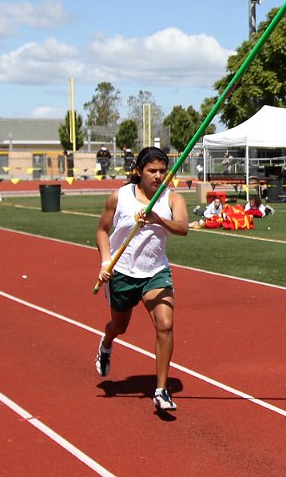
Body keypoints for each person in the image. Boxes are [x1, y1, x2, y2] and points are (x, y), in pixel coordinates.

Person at [95, 147, 188, 412]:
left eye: (162, 171)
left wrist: (158, 219)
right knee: (119, 326)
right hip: (122, 272)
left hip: (155, 271)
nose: (158, 176)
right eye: (152, 171)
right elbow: (102, 231)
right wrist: (105, 262)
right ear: (138, 171)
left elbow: (183, 228)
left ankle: (161, 390)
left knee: (165, 324)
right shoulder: (120, 197)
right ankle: (106, 342)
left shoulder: (172, 199)